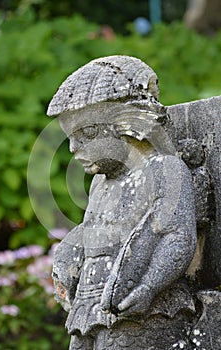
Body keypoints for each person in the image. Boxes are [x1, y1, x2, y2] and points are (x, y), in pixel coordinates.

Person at [48, 56, 197, 350]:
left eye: (87, 134)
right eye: (69, 138)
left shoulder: (163, 169)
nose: (73, 149)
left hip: (145, 307)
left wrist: (148, 286)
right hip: (89, 306)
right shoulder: (100, 183)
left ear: (126, 125)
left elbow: (178, 237)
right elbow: (90, 229)